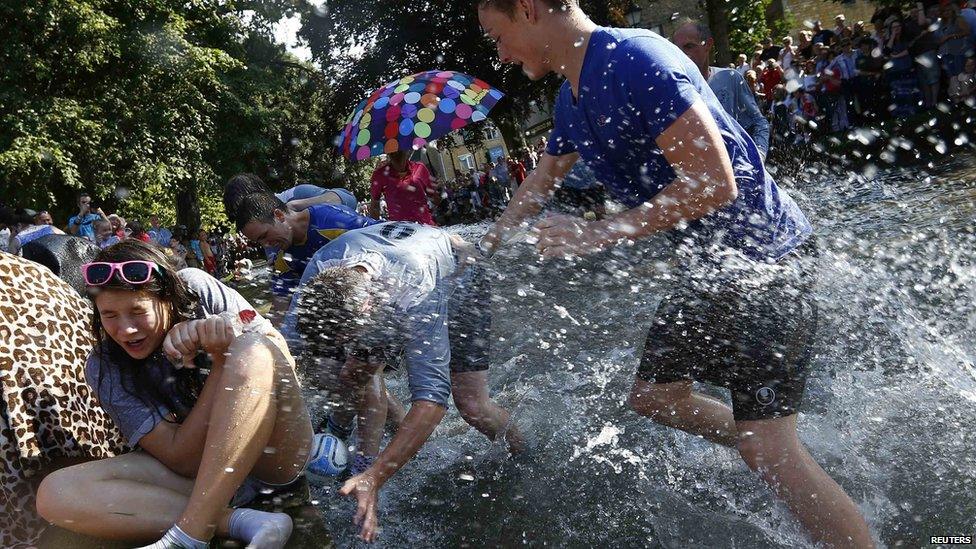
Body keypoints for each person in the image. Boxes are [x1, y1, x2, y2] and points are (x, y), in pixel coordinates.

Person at [476, 1, 874, 547]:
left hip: (767, 262)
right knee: (656, 396)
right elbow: (543, 179)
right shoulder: (571, 95)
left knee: (768, 449)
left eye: (497, 36)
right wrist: (484, 244)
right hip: (712, 272)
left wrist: (598, 233)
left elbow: (716, 181)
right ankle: (779, 450)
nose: (499, 54)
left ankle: (780, 453)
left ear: (527, 9)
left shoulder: (637, 60)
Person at [34, 240, 314, 549]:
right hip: (199, 476)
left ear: (167, 299)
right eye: (110, 315)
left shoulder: (197, 287)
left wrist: (228, 335)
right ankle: (245, 521)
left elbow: (283, 357)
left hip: (274, 460)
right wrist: (219, 364)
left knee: (253, 349)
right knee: (54, 493)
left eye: (138, 311)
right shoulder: (104, 366)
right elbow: (183, 460)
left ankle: (187, 537)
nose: (125, 329)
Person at [283, 222, 523, 543]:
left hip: (457, 279)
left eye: (348, 338)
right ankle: (357, 440)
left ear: (368, 309)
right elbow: (283, 348)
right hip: (387, 278)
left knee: (471, 404)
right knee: (353, 371)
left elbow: (431, 402)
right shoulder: (320, 271)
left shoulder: (417, 289)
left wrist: (375, 477)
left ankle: (528, 455)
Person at [231, 193, 381, 323]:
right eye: (260, 241)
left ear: (279, 215)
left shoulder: (330, 220)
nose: (266, 245)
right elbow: (279, 311)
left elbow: (384, 240)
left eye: (264, 236)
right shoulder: (284, 259)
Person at [672, 20, 771, 157]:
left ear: (708, 44)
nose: (682, 54)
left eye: (689, 46)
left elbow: (759, 123)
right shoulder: (673, 92)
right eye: (676, 49)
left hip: (737, 168)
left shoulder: (730, 78)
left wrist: (758, 156)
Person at [369, 150, 440, 225]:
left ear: (406, 149)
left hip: (425, 227)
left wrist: (436, 188)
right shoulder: (380, 174)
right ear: (387, 152)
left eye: (399, 149)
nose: (396, 152)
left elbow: (435, 199)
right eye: (392, 151)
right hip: (401, 231)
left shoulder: (420, 168)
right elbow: (374, 207)